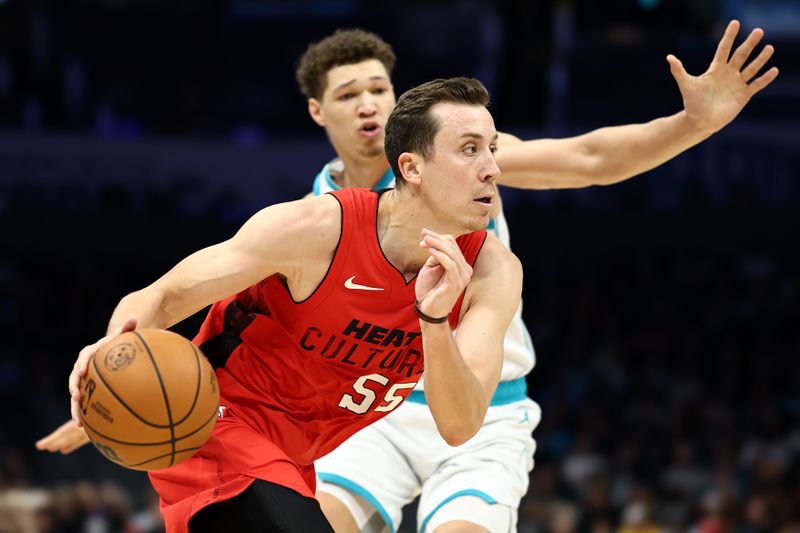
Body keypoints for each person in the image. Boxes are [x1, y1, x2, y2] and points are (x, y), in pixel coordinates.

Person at [39, 20, 779, 533]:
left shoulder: (478, 174)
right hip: (360, 414)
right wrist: (117, 374)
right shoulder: (313, 219)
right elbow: (189, 301)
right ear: (321, 115)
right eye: (348, 94)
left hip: (479, 401)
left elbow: (591, 159)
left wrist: (693, 125)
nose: (368, 104)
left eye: (378, 88)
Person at [63, 77, 523, 533]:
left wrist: (434, 320)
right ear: (412, 167)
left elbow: (459, 425)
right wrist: (108, 351)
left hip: (296, 460)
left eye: (492, 149)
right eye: (469, 149)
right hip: (213, 426)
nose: (492, 169)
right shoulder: (316, 230)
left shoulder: (492, 270)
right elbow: (164, 296)